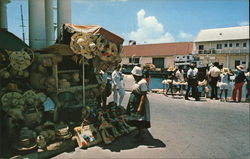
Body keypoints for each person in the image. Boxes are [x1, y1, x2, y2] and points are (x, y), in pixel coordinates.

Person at [126, 66, 150, 141]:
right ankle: (139, 133)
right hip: (134, 102)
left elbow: (143, 95)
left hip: (138, 102)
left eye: (134, 75)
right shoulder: (138, 81)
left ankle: (141, 135)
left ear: (137, 75)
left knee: (140, 119)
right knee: (135, 118)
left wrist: (140, 106)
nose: (133, 76)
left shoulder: (142, 82)